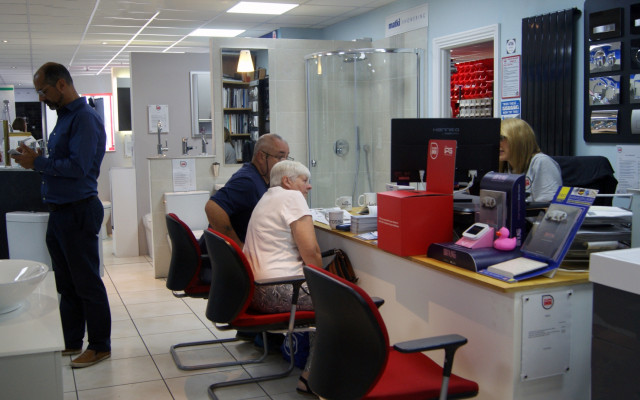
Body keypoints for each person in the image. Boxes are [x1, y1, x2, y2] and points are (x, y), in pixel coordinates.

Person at [11, 62, 111, 368]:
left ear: (62, 85)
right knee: (66, 283)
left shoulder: (84, 118)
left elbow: (78, 168)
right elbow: (64, 161)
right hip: (61, 211)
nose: (41, 97)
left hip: (78, 210)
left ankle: (99, 345)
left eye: (43, 90)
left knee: (87, 282)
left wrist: (38, 164)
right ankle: (71, 340)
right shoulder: (66, 118)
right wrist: (39, 160)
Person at [242, 160, 321, 395]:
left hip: (255, 291)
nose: (309, 187)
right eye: (304, 181)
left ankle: (314, 373)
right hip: (280, 290)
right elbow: (311, 252)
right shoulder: (291, 197)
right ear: (288, 181)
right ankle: (314, 376)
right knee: (340, 304)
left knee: (334, 298)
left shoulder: (267, 198)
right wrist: (328, 287)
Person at [204, 133, 290, 248]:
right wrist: (237, 247)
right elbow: (212, 208)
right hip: (228, 259)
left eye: (287, 157)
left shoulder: (261, 178)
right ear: (261, 157)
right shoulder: (247, 181)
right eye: (280, 157)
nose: (285, 163)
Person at [499, 118, 562, 203]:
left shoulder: (541, 162)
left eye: (501, 138)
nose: (497, 143)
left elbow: (549, 207)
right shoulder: (505, 166)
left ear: (518, 140)